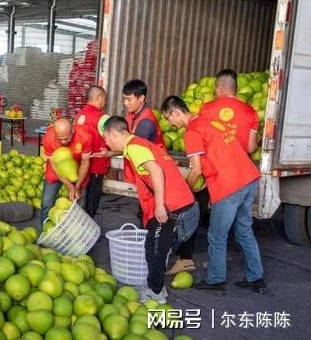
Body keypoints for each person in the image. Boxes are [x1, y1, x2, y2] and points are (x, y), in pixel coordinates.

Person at [161, 96, 265, 293]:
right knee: (244, 231)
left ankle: (215, 281)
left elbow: (196, 170)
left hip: (229, 186)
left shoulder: (191, 132)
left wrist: (185, 192)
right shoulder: (208, 122)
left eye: (168, 118)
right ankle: (256, 278)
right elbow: (217, 154)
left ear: (176, 112)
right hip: (248, 179)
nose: (169, 123)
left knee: (217, 236)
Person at [102, 116, 197, 303]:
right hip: (176, 200)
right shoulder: (139, 144)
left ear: (113, 134)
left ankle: (156, 293)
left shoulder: (134, 147)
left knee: (154, 248)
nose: (105, 142)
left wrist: (160, 205)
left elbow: (156, 171)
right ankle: (157, 286)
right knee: (155, 245)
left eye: (105, 137)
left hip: (171, 204)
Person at [40, 118, 92, 227]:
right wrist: (69, 186)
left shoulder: (85, 136)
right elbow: (54, 165)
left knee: (80, 204)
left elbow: (85, 164)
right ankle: (46, 231)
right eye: (60, 139)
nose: (63, 142)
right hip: (55, 172)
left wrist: (77, 186)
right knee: (46, 203)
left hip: (78, 172)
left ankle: (79, 233)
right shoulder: (48, 138)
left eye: (66, 139)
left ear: (72, 130)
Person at [199, 68, 260, 153]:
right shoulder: (250, 112)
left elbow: (200, 142)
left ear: (218, 88)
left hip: (212, 164)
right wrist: (258, 142)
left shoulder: (205, 109)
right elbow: (251, 148)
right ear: (236, 89)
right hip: (237, 164)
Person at [73, 86, 110, 221]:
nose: (105, 103)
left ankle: (78, 223)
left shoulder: (78, 116)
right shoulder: (104, 118)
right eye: (104, 99)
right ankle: (89, 227)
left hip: (79, 165)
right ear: (100, 99)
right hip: (96, 165)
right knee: (92, 199)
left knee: (80, 196)